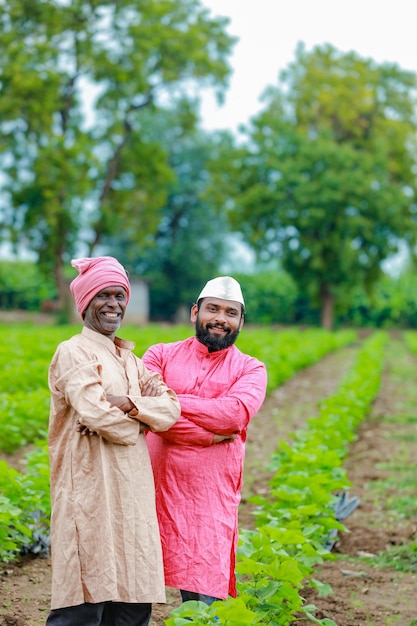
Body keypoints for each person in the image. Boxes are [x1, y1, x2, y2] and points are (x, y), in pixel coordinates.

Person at [46, 256, 180, 626]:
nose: (113, 304)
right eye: (103, 295)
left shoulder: (132, 361)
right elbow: (95, 413)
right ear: (85, 302)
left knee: (132, 606)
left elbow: (170, 408)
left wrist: (129, 405)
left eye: (119, 295)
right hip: (88, 493)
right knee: (83, 605)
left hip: (132, 496)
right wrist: (139, 424)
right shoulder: (73, 351)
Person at [142, 276, 267, 606]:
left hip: (208, 498)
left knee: (202, 603)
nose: (221, 319)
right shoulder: (159, 355)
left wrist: (172, 401)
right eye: (213, 309)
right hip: (151, 487)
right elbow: (148, 411)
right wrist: (209, 435)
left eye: (230, 313)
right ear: (195, 312)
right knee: (133, 589)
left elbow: (235, 415)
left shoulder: (251, 369)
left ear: (241, 321)